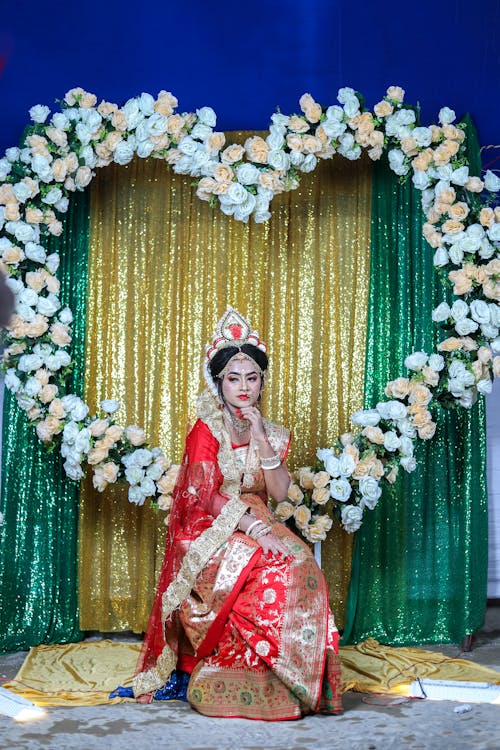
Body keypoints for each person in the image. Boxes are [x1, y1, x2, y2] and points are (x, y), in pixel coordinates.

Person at [132, 308, 342, 720]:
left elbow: (281, 494)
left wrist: (262, 438)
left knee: (301, 566)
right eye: (233, 378)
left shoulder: (275, 432)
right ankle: (232, 676)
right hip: (212, 524)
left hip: (262, 518)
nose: (243, 387)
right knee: (269, 568)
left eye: (251, 377)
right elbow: (203, 495)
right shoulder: (205, 430)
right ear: (218, 383)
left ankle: (296, 680)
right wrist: (250, 527)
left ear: (262, 381)